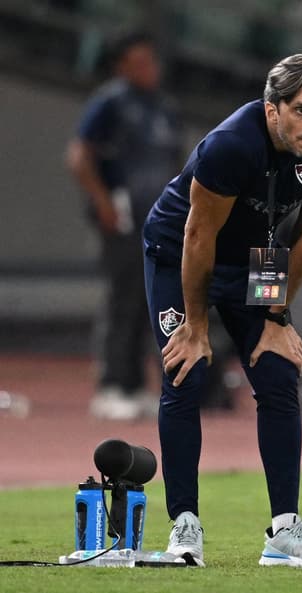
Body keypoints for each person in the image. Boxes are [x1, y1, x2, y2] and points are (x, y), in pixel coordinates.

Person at [142, 54, 302, 567]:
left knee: (279, 374)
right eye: (301, 111)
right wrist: (195, 327)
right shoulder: (231, 145)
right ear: (272, 108)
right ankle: (184, 529)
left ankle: (284, 533)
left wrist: (278, 319)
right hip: (181, 254)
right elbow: (199, 236)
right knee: (186, 373)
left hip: (260, 258)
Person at [66, 31, 182, 421]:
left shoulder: (164, 107)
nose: (149, 70)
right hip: (123, 216)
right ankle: (111, 385)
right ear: (122, 67)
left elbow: (176, 165)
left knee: (150, 300)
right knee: (123, 297)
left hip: (159, 219)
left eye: (152, 62)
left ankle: (134, 384)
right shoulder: (111, 103)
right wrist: (102, 201)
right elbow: (79, 155)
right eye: (139, 63)